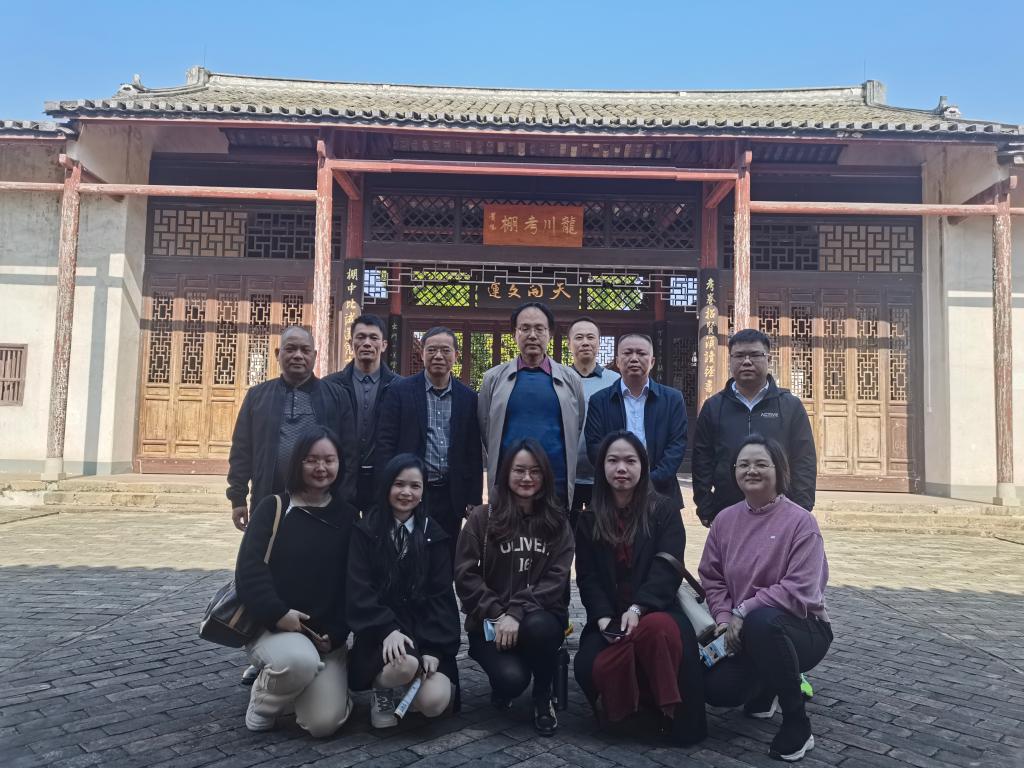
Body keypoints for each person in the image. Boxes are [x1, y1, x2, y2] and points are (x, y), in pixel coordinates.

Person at [699, 435, 831, 762]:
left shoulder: (801, 522)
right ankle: (767, 685)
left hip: (802, 628)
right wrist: (725, 618)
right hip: (743, 631)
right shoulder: (725, 521)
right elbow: (712, 578)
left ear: (779, 470)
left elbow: (800, 589)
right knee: (718, 690)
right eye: (743, 464)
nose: (751, 471)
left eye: (761, 464)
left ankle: (797, 722)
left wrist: (743, 610)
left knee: (762, 622)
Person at [574, 430, 707, 746]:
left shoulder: (663, 511)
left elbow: (667, 567)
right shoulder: (589, 519)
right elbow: (588, 577)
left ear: (643, 466)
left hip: (656, 609)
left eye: (630, 461)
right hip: (610, 617)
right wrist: (603, 618)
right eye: (613, 461)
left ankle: (667, 711)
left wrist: (638, 608)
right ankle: (635, 712)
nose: (621, 468)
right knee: (587, 665)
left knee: (657, 630)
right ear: (602, 467)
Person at [234, 426, 357, 736]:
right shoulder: (274, 507)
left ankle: (306, 685)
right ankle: (264, 701)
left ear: (339, 464)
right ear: (297, 463)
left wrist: (336, 634)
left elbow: (353, 583)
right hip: (275, 628)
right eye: (311, 459)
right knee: (298, 662)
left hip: (325, 638)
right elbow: (249, 571)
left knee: (323, 723)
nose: (321, 467)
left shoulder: (348, 517)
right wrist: (278, 614)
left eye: (329, 460)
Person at [454, 438, 575, 736]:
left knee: (540, 628)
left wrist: (517, 612)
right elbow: (465, 575)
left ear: (545, 475)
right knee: (511, 680)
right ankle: (506, 679)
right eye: (519, 470)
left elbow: (557, 579)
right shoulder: (482, 518)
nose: (527, 478)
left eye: (535, 471)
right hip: (492, 624)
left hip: (538, 619)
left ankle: (542, 695)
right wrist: (497, 612)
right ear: (506, 473)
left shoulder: (557, 522)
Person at [346, 454, 461, 728]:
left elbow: (441, 596)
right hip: (380, 633)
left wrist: (434, 649)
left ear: (423, 492)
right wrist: (386, 629)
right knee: (405, 663)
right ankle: (382, 688)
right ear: (387, 486)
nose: (406, 492)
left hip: (424, 630)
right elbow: (359, 589)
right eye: (399, 484)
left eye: (415, 486)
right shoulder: (366, 531)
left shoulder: (434, 535)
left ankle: (415, 683)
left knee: (434, 703)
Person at [227, 325, 358, 531]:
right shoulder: (257, 396)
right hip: (269, 499)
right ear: (277, 354)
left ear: (314, 356)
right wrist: (238, 498)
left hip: (324, 503)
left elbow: (350, 453)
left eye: (305, 350)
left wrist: (342, 499)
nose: (298, 355)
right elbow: (242, 451)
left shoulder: (336, 396)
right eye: (290, 349)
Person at [376, 327, 483, 566]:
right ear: (422, 353)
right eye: (432, 350)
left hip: (450, 493)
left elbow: (472, 451)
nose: (438, 356)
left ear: (456, 355)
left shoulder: (468, 397)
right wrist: (386, 487)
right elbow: (385, 442)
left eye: (445, 350)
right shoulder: (399, 391)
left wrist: (473, 497)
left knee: (445, 557)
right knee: (406, 555)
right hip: (411, 491)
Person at [692, 328, 816, 527]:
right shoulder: (714, 407)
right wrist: (705, 506)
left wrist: (801, 508)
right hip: (727, 510)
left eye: (755, 355)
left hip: (780, 512)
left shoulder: (789, 406)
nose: (747, 361)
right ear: (730, 360)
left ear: (768, 359)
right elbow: (701, 460)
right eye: (739, 355)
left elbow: (804, 459)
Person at [478, 302, 585, 505]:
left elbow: (576, 427)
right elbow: (486, 429)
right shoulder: (493, 379)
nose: (532, 335)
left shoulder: (571, 379)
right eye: (525, 328)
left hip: (556, 485)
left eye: (539, 329)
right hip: (508, 486)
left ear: (550, 334)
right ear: (514, 334)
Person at [585, 334, 688, 512]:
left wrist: (649, 480)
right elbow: (595, 447)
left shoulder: (672, 399)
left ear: (652, 361)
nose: (634, 358)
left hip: (660, 492)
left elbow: (677, 445)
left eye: (641, 353)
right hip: (612, 493)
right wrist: (621, 477)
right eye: (627, 353)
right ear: (618, 361)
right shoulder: (599, 401)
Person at [325, 314, 398, 514]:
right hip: (340, 477)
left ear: (384, 345)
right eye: (360, 337)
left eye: (373, 338)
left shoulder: (399, 387)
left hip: (382, 479)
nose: (367, 343)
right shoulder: (331, 385)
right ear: (351, 343)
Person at [568, 317, 620, 530]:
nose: (585, 342)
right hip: (567, 478)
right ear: (569, 344)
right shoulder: (559, 378)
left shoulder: (615, 381)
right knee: (564, 536)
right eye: (579, 337)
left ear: (599, 343)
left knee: (600, 535)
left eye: (591, 337)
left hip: (602, 478)